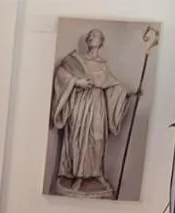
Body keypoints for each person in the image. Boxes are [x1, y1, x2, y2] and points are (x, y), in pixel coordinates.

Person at [49, 28, 140, 199]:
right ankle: (78, 175)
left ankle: (97, 174)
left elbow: (113, 85)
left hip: (98, 104)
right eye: (90, 35)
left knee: (97, 138)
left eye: (95, 36)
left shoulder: (103, 65)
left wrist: (129, 94)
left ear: (101, 42)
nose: (91, 37)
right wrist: (76, 81)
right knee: (78, 137)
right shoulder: (75, 60)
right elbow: (62, 74)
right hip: (80, 103)